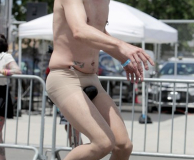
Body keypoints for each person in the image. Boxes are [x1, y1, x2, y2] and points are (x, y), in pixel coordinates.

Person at [46, 1, 155, 160]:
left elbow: (100, 32)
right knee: (102, 143)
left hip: (91, 77)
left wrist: (124, 59)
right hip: (65, 76)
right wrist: (122, 45)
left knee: (123, 146)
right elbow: (80, 30)